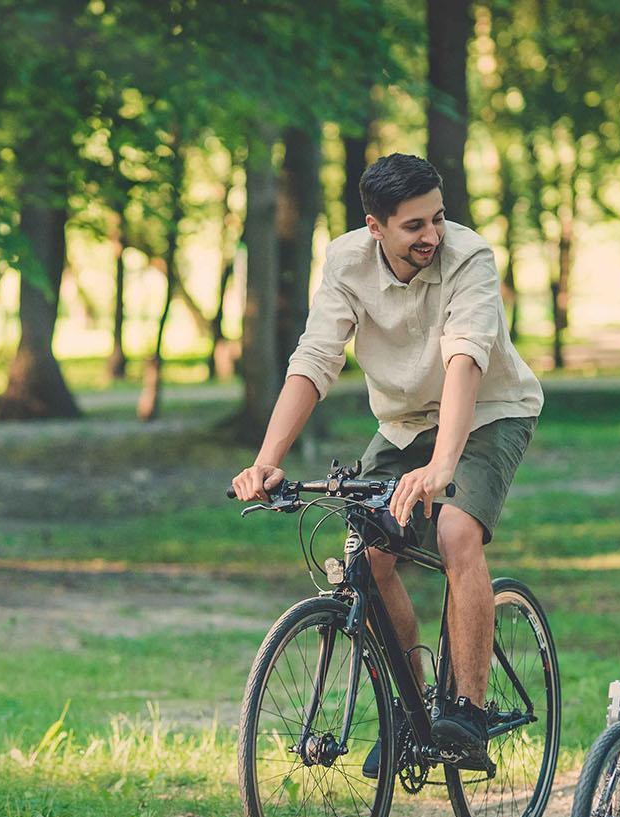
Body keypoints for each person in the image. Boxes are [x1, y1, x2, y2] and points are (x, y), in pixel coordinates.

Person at [230, 152, 542, 772]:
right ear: (376, 226)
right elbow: (316, 359)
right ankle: (413, 707)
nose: (432, 235)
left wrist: (443, 466)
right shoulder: (346, 261)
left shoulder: (470, 257)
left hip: (489, 411)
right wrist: (266, 461)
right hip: (402, 424)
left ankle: (468, 713)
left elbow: (465, 359)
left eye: (438, 218)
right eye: (414, 225)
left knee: (456, 532)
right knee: (368, 559)